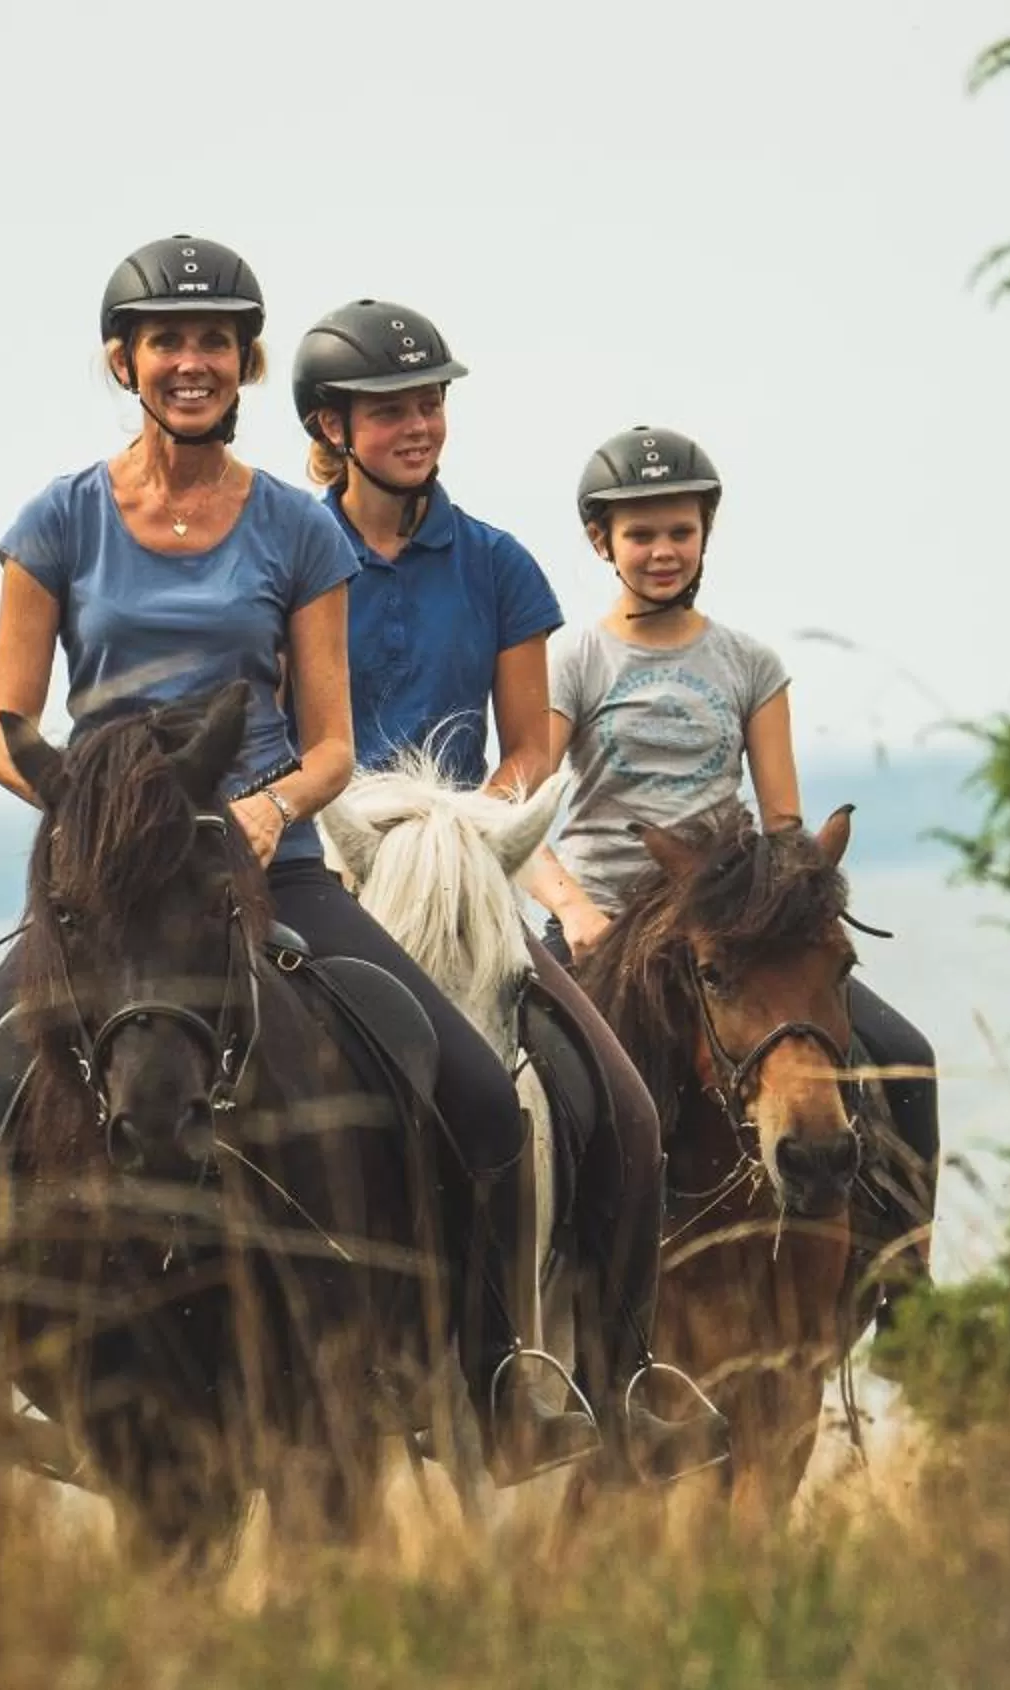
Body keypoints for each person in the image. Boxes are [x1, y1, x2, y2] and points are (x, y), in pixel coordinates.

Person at [0, 235, 600, 1489]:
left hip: (268, 865)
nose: (193, 361)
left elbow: (330, 745)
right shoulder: (56, 522)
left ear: (245, 363)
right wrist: (99, 815)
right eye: (168, 340)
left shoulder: (291, 530)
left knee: (482, 1102)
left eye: (216, 341)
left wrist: (268, 809)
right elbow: (6, 734)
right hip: (108, 885)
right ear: (124, 361)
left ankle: (495, 1380)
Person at [291, 301, 726, 1478]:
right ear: (332, 426)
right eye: (392, 409)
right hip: (328, 866)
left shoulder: (497, 564)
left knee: (625, 1109)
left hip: (462, 875)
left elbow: (530, 746)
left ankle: (614, 1381)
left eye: (431, 402)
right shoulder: (286, 551)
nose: (420, 424)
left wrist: (459, 833)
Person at [520, 425, 942, 1336]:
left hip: (728, 932)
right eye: (640, 534)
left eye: (679, 531)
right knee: (544, 1095)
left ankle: (908, 1295)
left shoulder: (749, 664)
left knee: (904, 1057)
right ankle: (540, 1299)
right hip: (604, 932)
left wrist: (793, 897)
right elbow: (516, 811)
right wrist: (575, 912)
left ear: (705, 533)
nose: (662, 551)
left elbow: (781, 823)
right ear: (601, 541)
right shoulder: (574, 662)